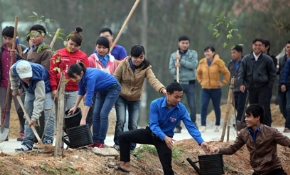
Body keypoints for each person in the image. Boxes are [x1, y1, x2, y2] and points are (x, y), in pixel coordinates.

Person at [108, 82, 210, 174]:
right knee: (123, 136)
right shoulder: (155, 104)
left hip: (165, 141)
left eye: (180, 97)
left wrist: (201, 142)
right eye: (176, 97)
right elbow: (153, 125)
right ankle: (126, 164)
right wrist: (164, 136)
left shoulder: (181, 109)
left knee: (168, 169)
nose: (178, 100)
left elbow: (190, 126)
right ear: (168, 94)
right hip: (150, 133)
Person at [113, 44, 166, 151]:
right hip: (121, 96)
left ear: (144, 56)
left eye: (141, 57)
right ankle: (118, 143)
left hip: (135, 99)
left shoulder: (146, 67)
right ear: (131, 56)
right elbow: (114, 79)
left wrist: (162, 89)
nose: (138, 60)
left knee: (133, 124)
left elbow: (153, 80)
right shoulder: (123, 64)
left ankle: (132, 147)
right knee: (121, 120)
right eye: (135, 57)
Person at [211, 104, 290, 175]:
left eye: (248, 116)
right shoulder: (243, 133)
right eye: (245, 117)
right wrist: (219, 149)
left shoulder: (271, 132)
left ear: (257, 117)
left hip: (273, 170)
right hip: (258, 171)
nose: (246, 119)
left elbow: (288, 142)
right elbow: (232, 148)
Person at [67, 63, 121, 148]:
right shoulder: (81, 79)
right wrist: (75, 106)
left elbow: (89, 97)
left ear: (81, 73)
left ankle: (101, 141)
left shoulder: (90, 77)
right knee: (95, 114)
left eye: (75, 77)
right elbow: (81, 92)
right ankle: (95, 140)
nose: (74, 80)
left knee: (103, 114)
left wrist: (83, 119)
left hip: (113, 88)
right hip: (102, 90)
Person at [10, 60, 55, 151]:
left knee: (48, 113)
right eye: (24, 77)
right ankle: (27, 142)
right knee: (27, 114)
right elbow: (13, 77)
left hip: (45, 89)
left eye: (28, 76)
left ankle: (48, 141)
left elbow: (39, 99)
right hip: (30, 90)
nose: (27, 79)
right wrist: (15, 89)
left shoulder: (38, 76)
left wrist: (34, 118)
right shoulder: (14, 68)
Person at [50, 27, 89, 115]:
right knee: (59, 115)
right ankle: (58, 129)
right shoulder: (58, 54)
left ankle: (68, 129)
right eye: (71, 44)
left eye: (76, 46)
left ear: (80, 46)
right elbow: (52, 72)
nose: (72, 47)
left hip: (75, 91)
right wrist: (54, 89)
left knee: (70, 114)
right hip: (60, 89)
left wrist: (86, 91)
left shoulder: (83, 56)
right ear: (67, 40)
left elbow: (86, 75)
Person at [238, 38, 276, 126]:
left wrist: (269, 85)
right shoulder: (246, 59)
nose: (257, 47)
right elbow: (241, 72)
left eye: (260, 45)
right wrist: (241, 84)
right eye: (256, 45)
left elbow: (272, 73)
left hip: (263, 87)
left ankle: (265, 127)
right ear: (252, 46)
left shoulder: (267, 59)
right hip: (251, 87)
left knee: (263, 107)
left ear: (262, 47)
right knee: (253, 107)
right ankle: (254, 127)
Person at [0, 26, 26, 141]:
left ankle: (23, 132)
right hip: (3, 84)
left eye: (10, 38)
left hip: (18, 85)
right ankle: (4, 133)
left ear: (15, 38)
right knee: (4, 108)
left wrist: (17, 55)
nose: (7, 41)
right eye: (5, 38)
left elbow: (26, 64)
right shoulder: (1, 50)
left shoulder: (22, 49)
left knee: (21, 108)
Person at [196, 46, 230, 132]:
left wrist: (222, 83)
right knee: (203, 106)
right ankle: (203, 125)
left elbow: (227, 73)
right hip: (205, 89)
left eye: (208, 52)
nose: (206, 53)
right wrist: (201, 81)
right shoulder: (202, 62)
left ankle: (217, 124)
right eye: (205, 52)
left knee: (216, 107)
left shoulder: (219, 62)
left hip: (216, 89)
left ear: (213, 52)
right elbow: (198, 73)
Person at [86, 36, 118, 128]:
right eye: (99, 47)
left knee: (103, 116)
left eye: (104, 48)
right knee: (91, 116)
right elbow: (87, 76)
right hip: (94, 92)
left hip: (107, 92)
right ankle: (87, 138)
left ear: (108, 48)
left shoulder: (112, 61)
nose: (101, 50)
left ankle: (99, 139)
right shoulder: (91, 60)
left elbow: (115, 76)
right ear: (95, 47)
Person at [169, 36, 198, 133]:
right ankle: (177, 126)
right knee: (176, 104)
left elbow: (193, 65)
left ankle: (193, 123)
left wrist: (181, 61)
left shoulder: (193, 53)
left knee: (192, 105)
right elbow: (171, 70)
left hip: (190, 83)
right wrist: (176, 67)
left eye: (187, 43)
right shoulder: (174, 55)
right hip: (178, 83)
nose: (185, 45)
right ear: (178, 43)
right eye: (183, 43)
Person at [227, 45, 248, 129]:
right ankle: (243, 120)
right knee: (235, 104)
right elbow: (229, 74)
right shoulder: (230, 63)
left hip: (242, 87)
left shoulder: (245, 62)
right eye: (232, 52)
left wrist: (244, 84)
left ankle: (238, 122)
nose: (233, 54)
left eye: (234, 52)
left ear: (240, 53)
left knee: (241, 105)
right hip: (233, 87)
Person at [261, 39, 278, 126]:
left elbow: (273, 73)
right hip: (258, 86)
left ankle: (268, 124)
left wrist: (270, 84)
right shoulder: (257, 58)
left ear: (267, 47)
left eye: (262, 46)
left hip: (267, 86)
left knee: (266, 104)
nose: (260, 48)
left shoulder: (272, 59)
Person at [279, 40, 290, 133]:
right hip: (286, 85)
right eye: (288, 47)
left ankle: (288, 126)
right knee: (284, 106)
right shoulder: (285, 60)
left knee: (289, 106)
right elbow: (285, 72)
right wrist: (283, 83)